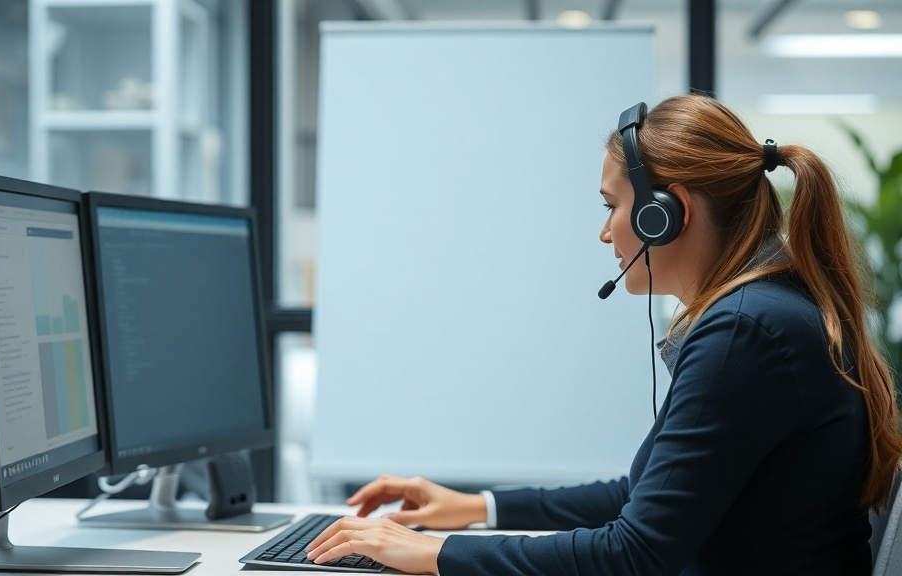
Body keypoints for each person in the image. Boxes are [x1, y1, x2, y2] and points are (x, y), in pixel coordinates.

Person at [304, 94, 902, 575]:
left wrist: (433, 553)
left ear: (664, 215)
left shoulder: (745, 330)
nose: (603, 233)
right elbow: (649, 494)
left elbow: (636, 551)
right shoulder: (768, 311)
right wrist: (475, 509)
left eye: (611, 205)